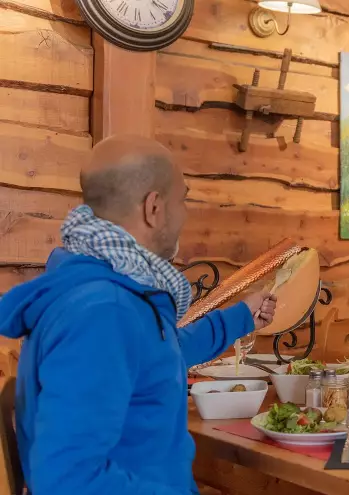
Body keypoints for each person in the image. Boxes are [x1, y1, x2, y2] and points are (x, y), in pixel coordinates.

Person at [0, 134, 277, 494]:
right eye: (183, 199)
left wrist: (241, 316)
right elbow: (67, 479)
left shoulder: (105, 288)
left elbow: (157, 352)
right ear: (154, 208)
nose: (185, 213)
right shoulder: (104, 312)